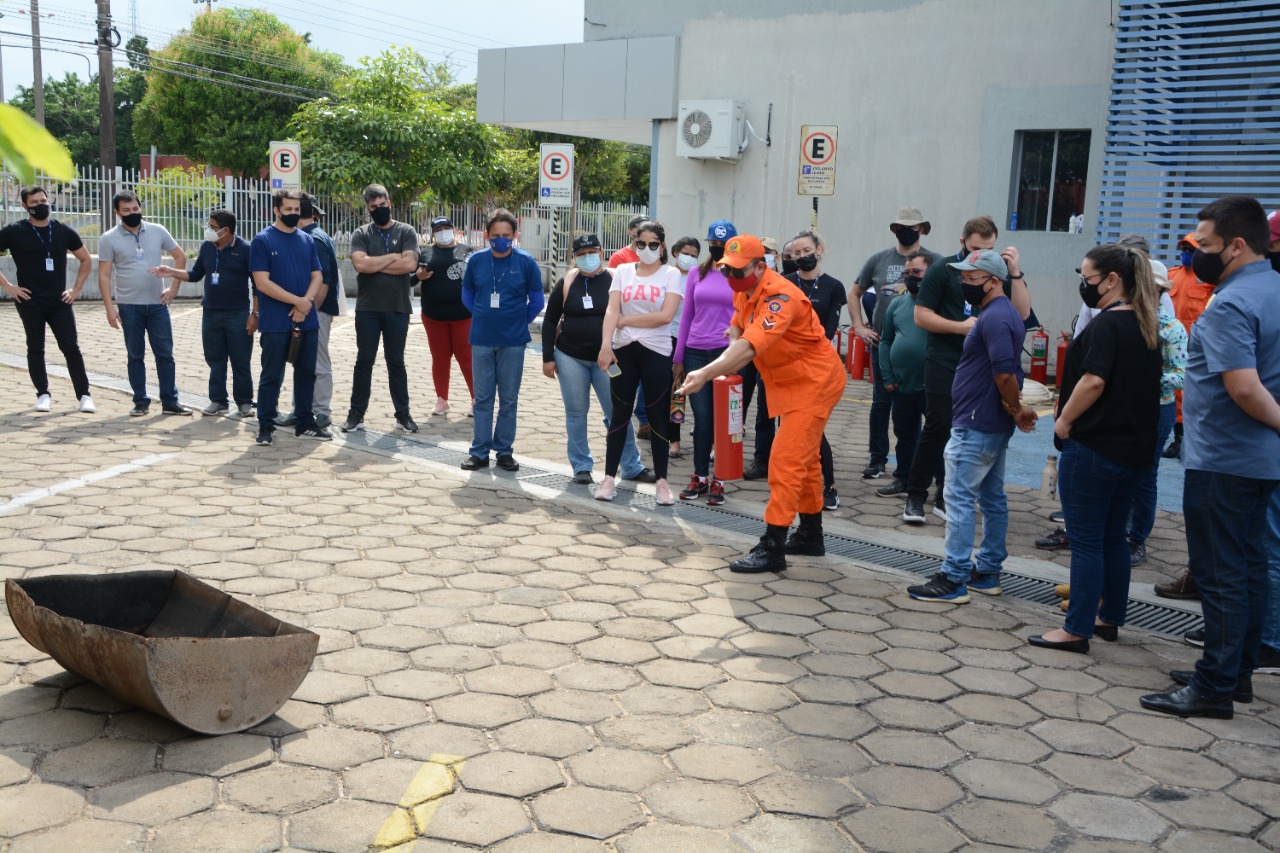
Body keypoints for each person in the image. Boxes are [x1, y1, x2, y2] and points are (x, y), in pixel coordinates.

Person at [1141, 197, 1280, 719]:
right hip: (1259, 460)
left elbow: (1244, 389)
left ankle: (1214, 686)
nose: (1198, 253)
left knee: (1221, 573)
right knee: (1248, 566)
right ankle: (1237, 673)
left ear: (1237, 245)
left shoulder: (1231, 303)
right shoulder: (1273, 289)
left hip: (1225, 458)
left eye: (1207, 244)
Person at [678, 235, 847, 573]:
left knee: (785, 462)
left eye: (739, 271)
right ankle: (811, 536)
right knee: (807, 461)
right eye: (727, 270)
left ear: (761, 266)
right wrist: (728, 356)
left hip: (815, 382)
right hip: (788, 381)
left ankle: (773, 547)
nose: (732, 278)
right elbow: (738, 328)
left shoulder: (780, 296)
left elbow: (751, 346)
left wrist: (707, 372)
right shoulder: (744, 288)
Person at [1029, 245, 1161, 651]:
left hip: (1094, 449)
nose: (1082, 285)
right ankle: (1109, 617)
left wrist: (1064, 420)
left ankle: (1076, 628)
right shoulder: (1146, 325)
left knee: (1086, 542)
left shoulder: (1107, 326)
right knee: (1111, 538)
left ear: (1111, 280)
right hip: (1131, 451)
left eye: (1086, 278)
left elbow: (1094, 381)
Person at [907, 250, 1037, 603]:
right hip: (988, 422)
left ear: (994, 281)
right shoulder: (1000, 312)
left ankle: (954, 577)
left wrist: (1015, 408)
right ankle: (988, 571)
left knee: (959, 498)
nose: (964, 283)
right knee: (992, 498)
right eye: (963, 277)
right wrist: (1012, 411)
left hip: (978, 423)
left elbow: (1005, 372)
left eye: (971, 278)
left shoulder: (995, 317)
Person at [903, 215, 1032, 524]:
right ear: (962, 242)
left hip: (983, 368)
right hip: (945, 362)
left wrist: (1014, 273)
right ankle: (915, 495)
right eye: (975, 248)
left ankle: (948, 496)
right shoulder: (943, 270)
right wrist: (960, 328)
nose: (981, 254)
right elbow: (921, 316)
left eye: (988, 249)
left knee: (972, 433)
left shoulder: (997, 274)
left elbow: (1023, 313)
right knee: (940, 425)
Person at [541, 233, 648, 485]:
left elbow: (631, 315)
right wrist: (548, 357)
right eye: (581, 254)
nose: (587, 258)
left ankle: (631, 466)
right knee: (576, 413)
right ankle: (581, 466)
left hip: (608, 358)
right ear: (574, 258)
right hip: (570, 357)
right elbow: (549, 320)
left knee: (618, 413)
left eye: (592, 252)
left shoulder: (616, 279)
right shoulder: (567, 281)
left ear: (601, 253)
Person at [850, 208, 943, 480]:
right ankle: (878, 458)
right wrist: (858, 327)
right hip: (884, 343)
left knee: (924, 408)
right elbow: (854, 293)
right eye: (901, 226)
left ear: (921, 230)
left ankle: (920, 466)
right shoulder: (879, 259)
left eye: (912, 227)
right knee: (881, 403)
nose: (906, 231)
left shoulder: (934, 261)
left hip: (924, 348)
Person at [596, 220, 683, 505]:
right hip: (624, 350)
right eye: (641, 244)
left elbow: (665, 316)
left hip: (657, 351)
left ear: (662, 246)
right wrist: (606, 345)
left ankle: (662, 482)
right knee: (619, 415)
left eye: (653, 244)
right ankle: (609, 478)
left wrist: (627, 320)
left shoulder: (671, 274)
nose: (646, 249)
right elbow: (611, 309)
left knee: (658, 416)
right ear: (634, 244)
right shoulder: (622, 271)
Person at [150, 209, 257, 418]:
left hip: (238, 313)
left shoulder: (246, 249)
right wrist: (172, 271)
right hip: (211, 312)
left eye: (212, 227)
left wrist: (255, 314)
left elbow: (257, 283)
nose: (208, 230)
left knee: (240, 360)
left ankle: (244, 402)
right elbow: (196, 274)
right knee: (215, 359)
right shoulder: (208, 247)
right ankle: (218, 401)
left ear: (226, 230)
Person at [461, 208, 544, 472]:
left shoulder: (526, 262)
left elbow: (537, 299)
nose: (500, 240)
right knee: (483, 399)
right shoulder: (476, 261)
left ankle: (504, 451)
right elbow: (467, 293)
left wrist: (519, 322)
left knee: (509, 399)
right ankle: (479, 452)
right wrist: (482, 315)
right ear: (487, 235)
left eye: (506, 235)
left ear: (514, 235)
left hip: (514, 342)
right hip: (482, 339)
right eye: (495, 235)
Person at [0, 185, 95, 413]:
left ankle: (84, 395)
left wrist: (75, 289)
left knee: (71, 347)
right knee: (35, 347)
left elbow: (86, 260)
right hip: (29, 300)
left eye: (44, 200)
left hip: (59, 301)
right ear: (25, 206)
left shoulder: (63, 231)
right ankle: (43, 394)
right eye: (35, 203)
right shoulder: (14, 231)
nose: (41, 205)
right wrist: (8, 287)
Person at [98, 190, 192, 417]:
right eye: (127, 210)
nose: (132, 213)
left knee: (165, 354)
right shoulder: (108, 238)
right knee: (135, 355)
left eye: (136, 208)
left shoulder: (158, 231)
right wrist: (110, 309)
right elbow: (104, 275)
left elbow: (180, 257)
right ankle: (140, 401)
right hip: (129, 306)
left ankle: (170, 401)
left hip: (158, 305)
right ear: (117, 212)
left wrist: (173, 288)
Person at [249, 190, 327, 445]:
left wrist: (305, 304)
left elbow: (317, 276)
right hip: (275, 321)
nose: (293, 214)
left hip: (307, 319)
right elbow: (262, 282)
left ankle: (305, 422)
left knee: (307, 373)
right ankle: (265, 426)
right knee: (272, 374)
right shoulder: (263, 240)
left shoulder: (307, 240)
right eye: (288, 210)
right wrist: (298, 301)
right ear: (276, 210)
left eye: (297, 210)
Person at [343, 184, 420, 434]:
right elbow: (360, 265)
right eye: (374, 206)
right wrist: (392, 257)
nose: (379, 209)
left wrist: (375, 263)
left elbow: (409, 264)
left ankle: (402, 414)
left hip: (398, 308)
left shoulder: (406, 231)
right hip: (368, 309)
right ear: (368, 208)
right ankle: (356, 414)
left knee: (396, 362)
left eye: (382, 204)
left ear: (389, 201)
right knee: (363, 361)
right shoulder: (361, 233)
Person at [673, 221, 738, 506]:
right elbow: (686, 316)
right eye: (714, 242)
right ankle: (700, 476)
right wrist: (679, 358)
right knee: (702, 419)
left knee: (724, 421)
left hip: (727, 354)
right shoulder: (697, 273)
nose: (718, 247)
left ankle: (719, 480)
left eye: (724, 243)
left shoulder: (740, 275)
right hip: (696, 353)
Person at [784, 230, 848, 511]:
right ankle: (794, 484)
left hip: (818, 368)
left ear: (819, 250)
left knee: (813, 430)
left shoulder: (834, 286)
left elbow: (829, 331)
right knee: (787, 430)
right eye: (796, 253)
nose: (801, 257)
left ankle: (829, 485)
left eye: (806, 251)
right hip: (787, 366)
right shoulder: (785, 283)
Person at [876, 250, 941, 500]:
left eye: (916, 273)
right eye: (906, 273)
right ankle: (903, 478)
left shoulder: (940, 305)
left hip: (932, 386)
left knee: (936, 438)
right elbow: (885, 340)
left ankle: (942, 486)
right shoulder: (897, 304)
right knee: (905, 436)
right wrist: (888, 377)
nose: (910, 278)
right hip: (901, 386)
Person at [1161, 231, 1214, 462]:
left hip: (1196, 346)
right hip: (1168, 345)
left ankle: (1187, 440)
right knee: (1172, 393)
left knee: (1190, 393)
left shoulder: (1209, 280)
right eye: (1183, 250)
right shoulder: (1172, 275)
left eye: (1191, 250)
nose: (1186, 254)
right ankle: (1177, 438)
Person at [417, 216, 475, 416]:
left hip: (464, 315)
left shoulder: (468, 252)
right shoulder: (425, 252)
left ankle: (477, 399)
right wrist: (419, 276)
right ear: (433, 234)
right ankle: (442, 400)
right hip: (434, 316)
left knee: (466, 357)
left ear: (454, 229)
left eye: (447, 228)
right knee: (440, 358)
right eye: (439, 230)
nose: (443, 233)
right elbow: (410, 278)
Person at [667, 236, 702, 458]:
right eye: (686, 253)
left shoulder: (699, 278)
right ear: (675, 253)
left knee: (699, 394)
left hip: (694, 341)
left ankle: (703, 440)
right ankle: (674, 441)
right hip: (669, 338)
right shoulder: (667, 276)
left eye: (694, 255)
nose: (689, 258)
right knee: (675, 393)